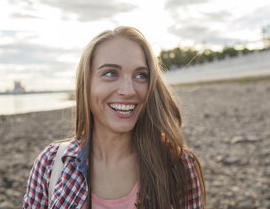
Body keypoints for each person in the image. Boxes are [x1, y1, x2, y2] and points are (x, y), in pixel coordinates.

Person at [22, 26, 206, 209]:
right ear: (86, 85)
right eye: (110, 73)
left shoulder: (178, 166)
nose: (128, 90)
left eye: (141, 75)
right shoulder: (52, 163)